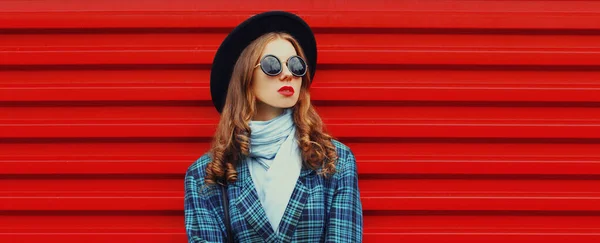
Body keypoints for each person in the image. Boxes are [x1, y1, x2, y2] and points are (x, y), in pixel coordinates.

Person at [184, 11, 363, 243]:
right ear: (246, 75)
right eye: (272, 65)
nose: (287, 74)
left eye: (296, 65)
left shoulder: (334, 161)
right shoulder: (206, 175)